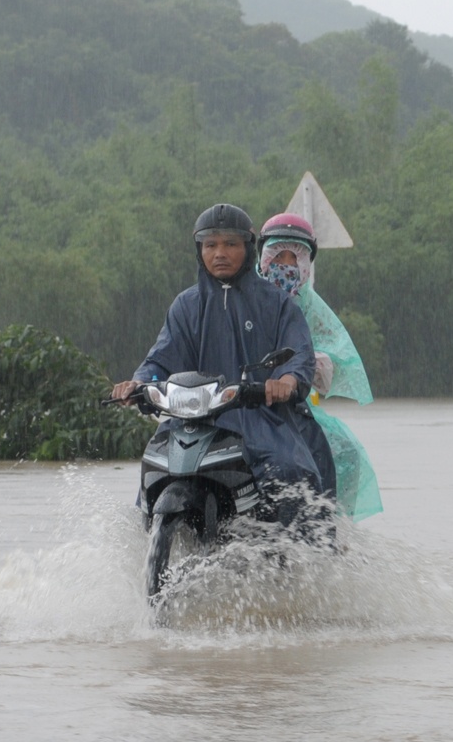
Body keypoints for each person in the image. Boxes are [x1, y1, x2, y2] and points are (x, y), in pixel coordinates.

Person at [110, 204, 331, 523]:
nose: (220, 253)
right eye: (210, 245)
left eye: (230, 244)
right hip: (194, 419)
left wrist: (287, 380)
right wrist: (139, 383)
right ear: (199, 250)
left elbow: (298, 353)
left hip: (262, 420)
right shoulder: (186, 306)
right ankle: (150, 547)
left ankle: (298, 560)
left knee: (290, 470)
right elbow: (161, 358)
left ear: (248, 247)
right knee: (151, 475)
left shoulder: (277, 303)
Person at [252, 211, 383, 522]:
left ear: (306, 265)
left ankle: (333, 526)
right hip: (239, 400)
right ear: (261, 257)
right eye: (277, 255)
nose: (284, 265)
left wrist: (313, 365)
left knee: (345, 449)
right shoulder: (242, 297)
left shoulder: (310, 310)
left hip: (291, 407)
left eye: (293, 257)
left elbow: (328, 358)